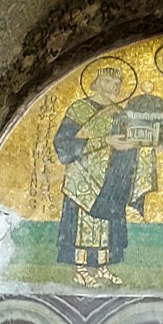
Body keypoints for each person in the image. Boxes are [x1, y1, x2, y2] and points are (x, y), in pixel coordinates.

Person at [53, 67, 148, 286]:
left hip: (110, 177)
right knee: (83, 223)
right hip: (83, 176)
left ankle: (102, 267)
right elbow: (64, 144)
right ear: (95, 82)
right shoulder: (79, 109)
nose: (112, 87)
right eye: (107, 81)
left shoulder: (119, 112)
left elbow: (128, 140)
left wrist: (135, 146)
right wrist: (105, 141)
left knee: (107, 222)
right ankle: (81, 269)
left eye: (116, 84)